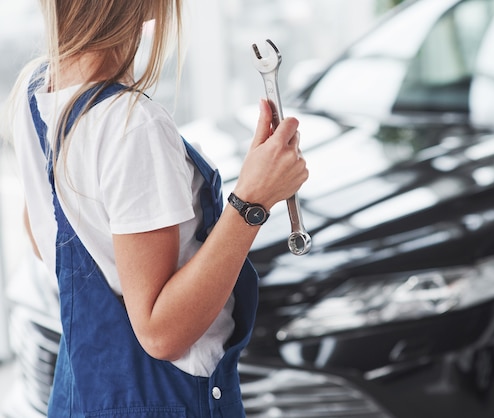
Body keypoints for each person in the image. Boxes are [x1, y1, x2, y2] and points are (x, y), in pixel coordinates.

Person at [2, 0, 308, 417]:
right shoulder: (132, 126)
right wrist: (253, 200)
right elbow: (161, 334)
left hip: (82, 397)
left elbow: (45, 242)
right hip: (169, 400)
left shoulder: (36, 92)